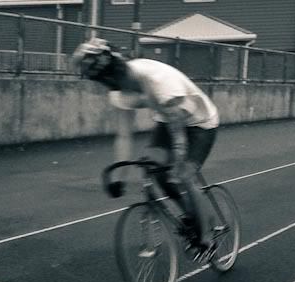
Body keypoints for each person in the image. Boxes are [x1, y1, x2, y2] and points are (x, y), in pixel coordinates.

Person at [73, 38, 219, 260]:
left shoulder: (159, 81)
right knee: (154, 168)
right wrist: (120, 176)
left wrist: (179, 162)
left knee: (184, 175)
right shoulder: (119, 92)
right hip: (167, 118)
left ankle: (208, 238)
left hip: (199, 122)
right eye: (104, 81)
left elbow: (178, 130)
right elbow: (123, 135)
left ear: (117, 69)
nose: (111, 84)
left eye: (112, 78)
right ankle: (190, 213)